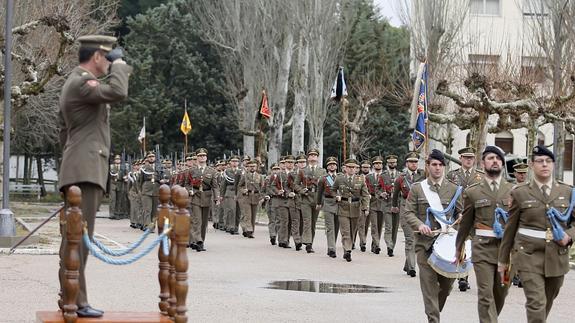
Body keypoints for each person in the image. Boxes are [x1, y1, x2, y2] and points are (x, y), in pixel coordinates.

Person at [58, 35, 132, 318]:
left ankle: (71, 295)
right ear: (98, 56)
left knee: (75, 237)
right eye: (108, 56)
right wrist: (121, 64)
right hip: (85, 170)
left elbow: (62, 130)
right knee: (80, 239)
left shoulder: (75, 82)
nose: (111, 61)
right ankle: (76, 301)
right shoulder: (82, 82)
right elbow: (118, 92)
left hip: (79, 166)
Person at [498, 145, 575, 322]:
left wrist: (569, 235)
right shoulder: (520, 193)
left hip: (557, 255)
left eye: (548, 161)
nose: (544, 164)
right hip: (528, 255)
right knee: (536, 302)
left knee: (546, 302)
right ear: (532, 165)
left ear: (554, 165)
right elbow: (510, 229)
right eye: (540, 161)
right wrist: (503, 261)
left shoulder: (567, 192)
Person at [403, 149, 463, 323]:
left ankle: (434, 313)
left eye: (440, 165)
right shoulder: (417, 189)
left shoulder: (453, 189)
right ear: (428, 166)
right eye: (434, 165)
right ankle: (433, 319)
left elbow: (461, 213)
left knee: (446, 287)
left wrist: (460, 219)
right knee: (429, 287)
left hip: (447, 246)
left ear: (444, 167)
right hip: (425, 245)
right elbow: (409, 213)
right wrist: (420, 225)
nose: (437, 168)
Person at [455, 146, 513, 322]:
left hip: (507, 252)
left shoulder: (515, 191)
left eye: (498, 158)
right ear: (483, 163)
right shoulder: (473, 192)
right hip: (482, 249)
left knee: (501, 291)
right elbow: (465, 223)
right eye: (490, 158)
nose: (494, 161)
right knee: (485, 294)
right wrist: (459, 246)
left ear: (502, 164)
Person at [447, 146, 483, 292]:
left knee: (474, 247)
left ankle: (469, 274)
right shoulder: (452, 175)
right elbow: (448, 195)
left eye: (471, 158)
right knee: (461, 245)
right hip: (458, 216)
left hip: (475, 217)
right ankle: (463, 277)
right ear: (461, 158)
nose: (469, 160)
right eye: (466, 158)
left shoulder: (480, 176)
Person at [392, 151, 425, 277]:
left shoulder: (423, 176)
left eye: (416, 161)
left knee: (417, 239)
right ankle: (412, 267)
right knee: (410, 239)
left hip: (419, 210)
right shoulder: (401, 178)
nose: (414, 164)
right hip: (406, 208)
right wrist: (394, 207)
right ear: (407, 163)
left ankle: (407, 263)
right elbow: (395, 195)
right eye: (411, 162)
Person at [332, 158, 370, 262]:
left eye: (353, 167)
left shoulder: (360, 179)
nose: (351, 169)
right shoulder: (339, 179)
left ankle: (349, 246)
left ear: (356, 169)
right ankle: (347, 251)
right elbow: (333, 190)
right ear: (345, 168)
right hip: (343, 207)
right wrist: (337, 196)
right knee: (345, 231)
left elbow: (365, 195)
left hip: (355, 207)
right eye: (349, 167)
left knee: (352, 231)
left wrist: (365, 207)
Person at [187, 148, 220, 251]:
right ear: (197, 157)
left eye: (203, 155)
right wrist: (189, 190)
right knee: (197, 220)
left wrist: (216, 198)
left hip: (206, 196)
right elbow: (187, 184)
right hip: (195, 196)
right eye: (200, 155)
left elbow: (215, 186)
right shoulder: (192, 170)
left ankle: (201, 241)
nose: (202, 157)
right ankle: (198, 240)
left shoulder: (212, 171)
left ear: (206, 157)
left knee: (204, 222)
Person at [294, 149, 326, 253]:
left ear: (317, 158)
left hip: (317, 198)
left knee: (313, 222)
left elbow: (329, 184)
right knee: (307, 221)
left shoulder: (322, 171)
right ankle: (308, 244)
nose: (313, 157)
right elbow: (295, 184)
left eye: (315, 155)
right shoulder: (303, 171)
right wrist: (301, 190)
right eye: (311, 155)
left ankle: (310, 242)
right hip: (306, 198)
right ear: (308, 158)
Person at [316, 157, 340, 258]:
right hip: (328, 202)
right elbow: (319, 192)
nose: (332, 166)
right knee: (330, 227)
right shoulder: (324, 178)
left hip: (339, 204)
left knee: (336, 227)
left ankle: (332, 245)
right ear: (327, 166)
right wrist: (318, 203)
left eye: (334, 164)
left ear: (336, 166)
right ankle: (332, 248)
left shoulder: (341, 177)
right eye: (330, 164)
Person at [237, 159, 264, 238]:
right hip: (247, 196)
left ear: (256, 167)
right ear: (247, 167)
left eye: (254, 166)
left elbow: (262, 188)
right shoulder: (244, 176)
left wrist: (261, 197)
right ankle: (249, 230)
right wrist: (243, 190)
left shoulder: (260, 176)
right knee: (247, 215)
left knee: (253, 216)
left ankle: (252, 231)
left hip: (255, 197)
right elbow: (239, 186)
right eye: (250, 166)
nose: (252, 168)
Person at [364, 156, 386, 254]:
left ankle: (374, 244)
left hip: (382, 202)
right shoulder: (368, 177)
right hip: (372, 201)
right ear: (373, 165)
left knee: (380, 225)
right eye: (376, 163)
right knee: (374, 225)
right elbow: (365, 189)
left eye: (380, 163)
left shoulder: (385, 176)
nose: (378, 165)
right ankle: (377, 244)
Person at [382, 155, 400, 256]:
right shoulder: (383, 175)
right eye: (390, 162)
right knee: (388, 227)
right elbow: (378, 189)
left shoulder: (401, 175)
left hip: (397, 205)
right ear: (387, 163)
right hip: (387, 204)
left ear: (396, 163)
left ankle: (392, 246)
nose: (392, 164)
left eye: (394, 162)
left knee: (395, 228)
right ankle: (389, 245)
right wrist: (381, 193)